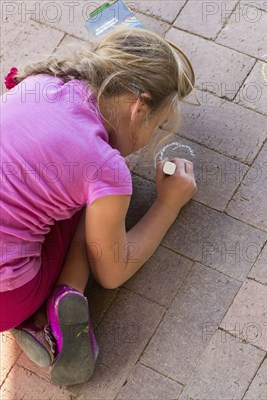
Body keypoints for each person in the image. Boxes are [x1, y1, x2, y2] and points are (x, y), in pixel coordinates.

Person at [0, 27, 198, 386]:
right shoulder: (106, 168)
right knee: (90, 207)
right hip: (7, 297)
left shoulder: (40, 81)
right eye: (159, 124)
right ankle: (55, 307)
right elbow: (112, 271)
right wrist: (168, 204)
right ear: (139, 107)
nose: (154, 136)